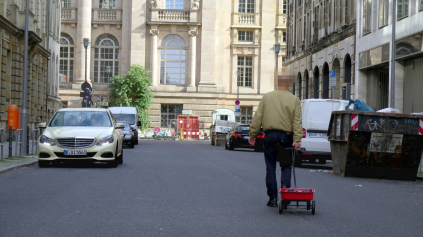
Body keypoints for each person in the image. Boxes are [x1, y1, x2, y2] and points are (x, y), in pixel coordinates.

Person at [248, 90, 302, 207]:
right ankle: (285, 192)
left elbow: (258, 117)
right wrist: (297, 139)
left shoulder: (267, 97)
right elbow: (297, 121)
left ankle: (273, 199)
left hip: (270, 136)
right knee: (286, 166)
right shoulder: (294, 99)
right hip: (286, 136)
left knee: (270, 168)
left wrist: (253, 134)